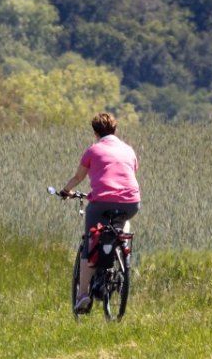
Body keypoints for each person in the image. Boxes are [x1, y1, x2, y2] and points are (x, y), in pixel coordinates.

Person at [58, 112, 141, 314]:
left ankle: (83, 294)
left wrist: (65, 191)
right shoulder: (129, 150)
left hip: (101, 203)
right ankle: (121, 246)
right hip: (131, 203)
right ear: (116, 130)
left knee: (90, 241)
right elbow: (129, 173)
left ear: (95, 133)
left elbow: (79, 176)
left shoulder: (93, 150)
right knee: (122, 222)